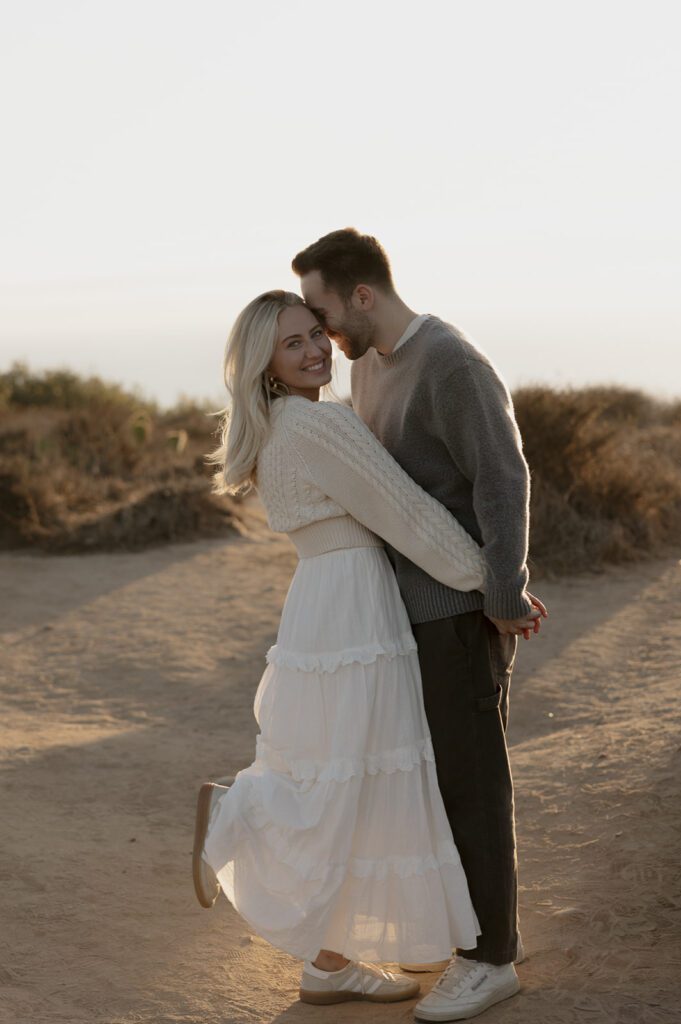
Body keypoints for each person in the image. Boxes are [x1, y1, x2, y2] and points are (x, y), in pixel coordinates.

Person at [193, 289, 515, 1008]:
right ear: (265, 363)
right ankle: (235, 814)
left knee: (346, 771)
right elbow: (407, 516)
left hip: (320, 599)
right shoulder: (319, 423)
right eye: (293, 344)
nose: (315, 351)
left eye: (315, 333)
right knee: (358, 771)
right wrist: (492, 584)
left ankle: (330, 963)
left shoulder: (277, 425)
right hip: (355, 606)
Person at [292, 229, 547, 1022]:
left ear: (362, 294)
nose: (320, 332)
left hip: (459, 613)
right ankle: (463, 935)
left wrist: (504, 592)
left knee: (473, 785)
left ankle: (491, 960)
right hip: (404, 614)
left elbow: (502, 480)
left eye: (321, 312)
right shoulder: (369, 365)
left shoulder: (449, 364)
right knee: (431, 785)